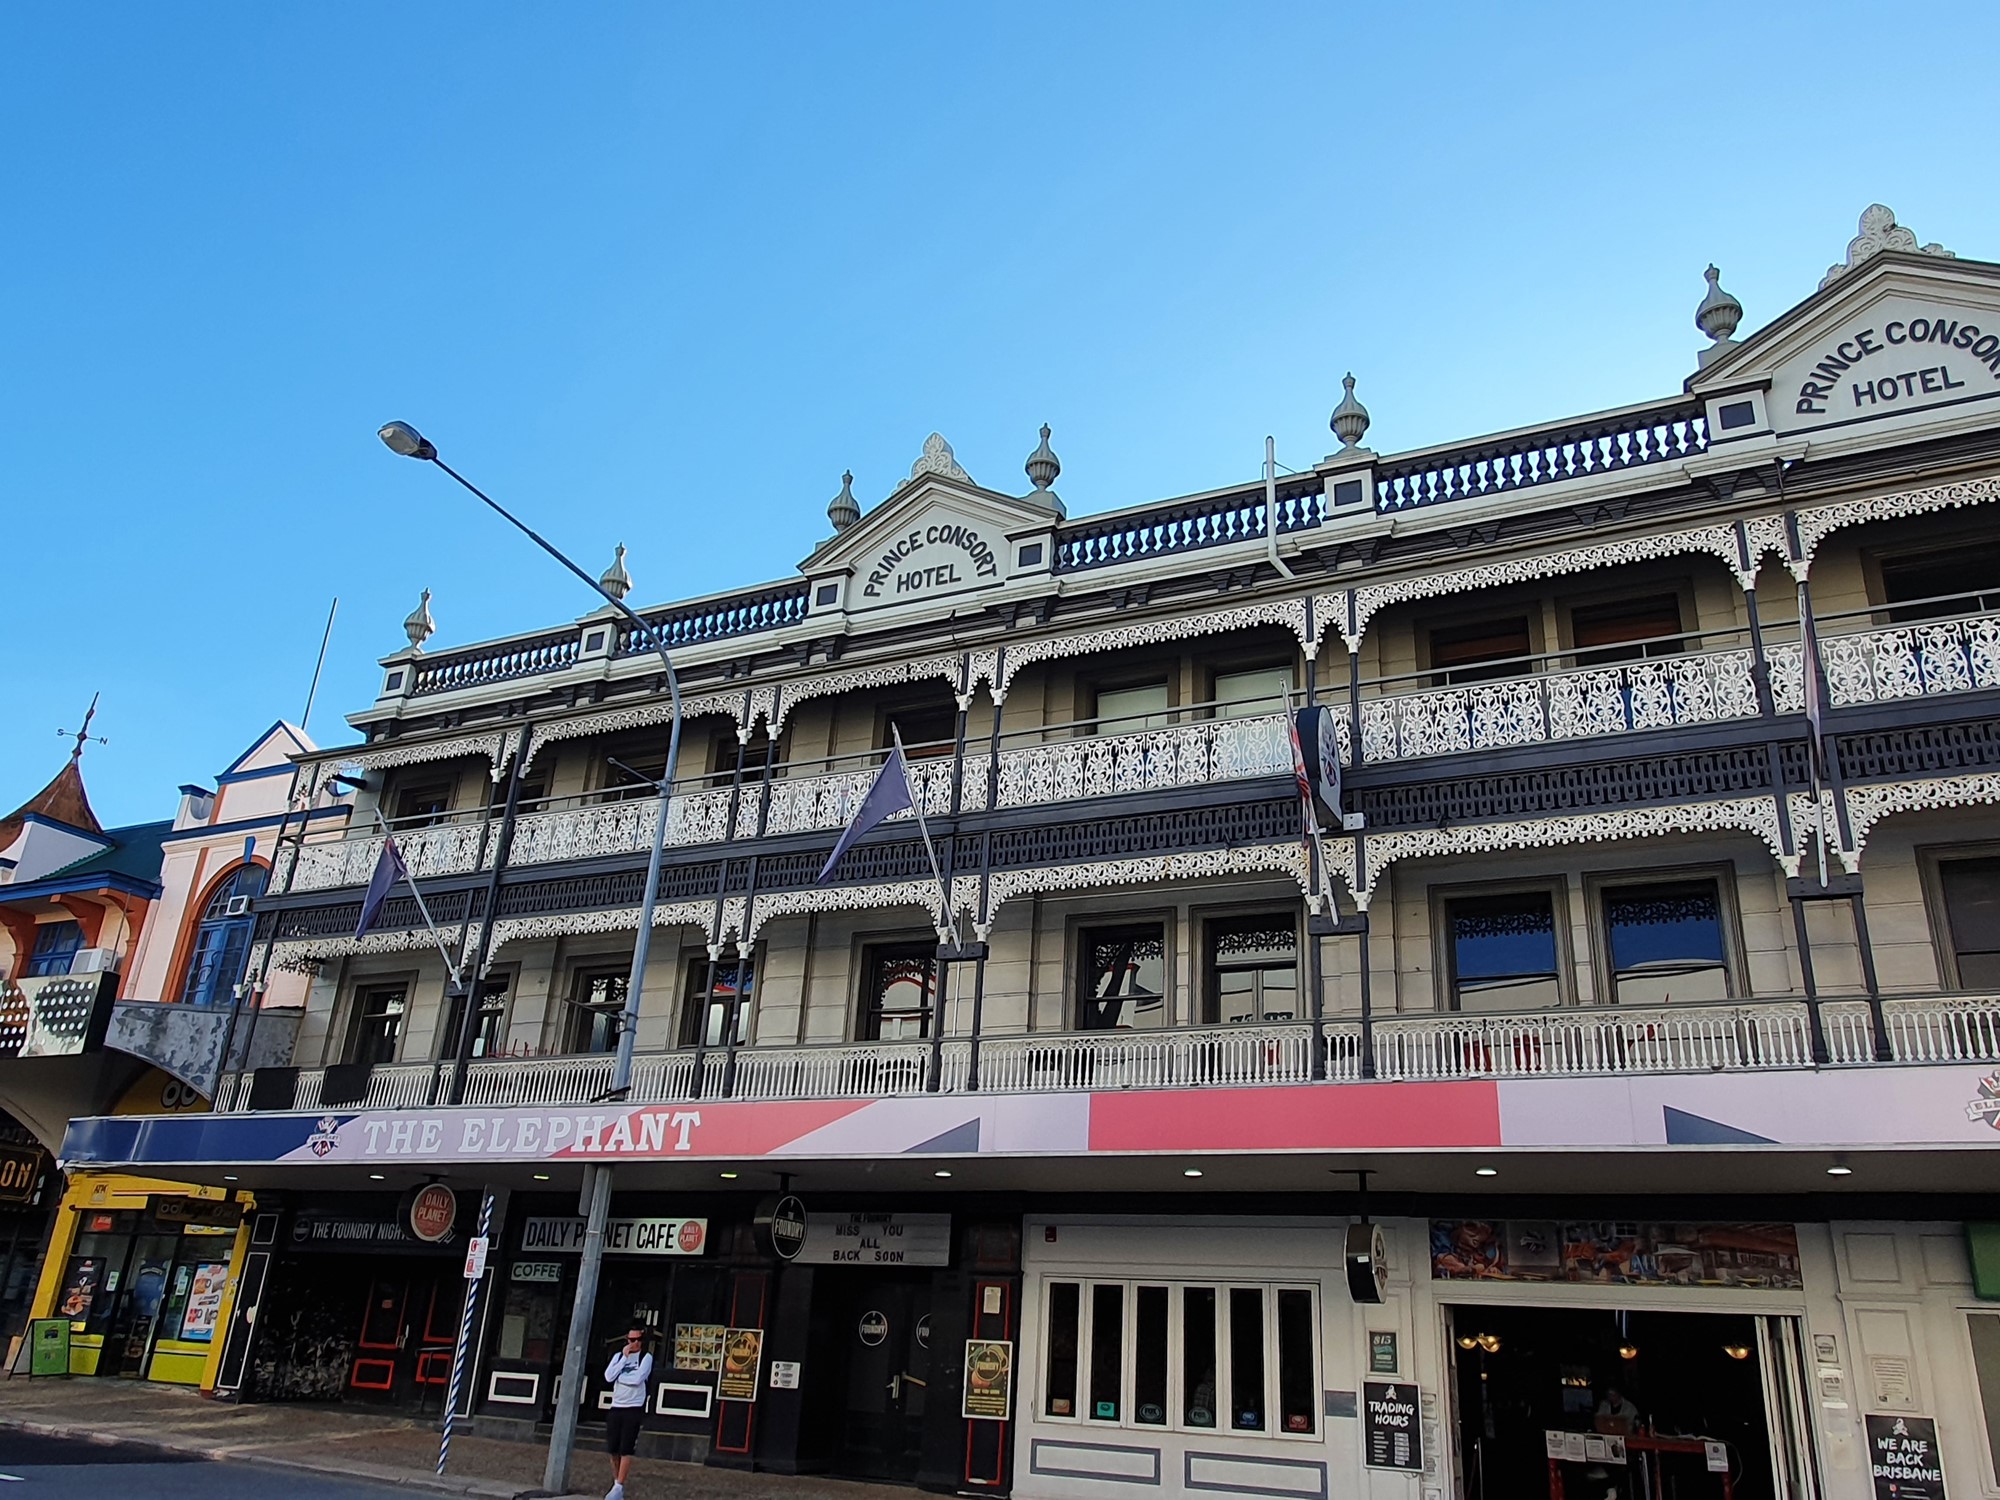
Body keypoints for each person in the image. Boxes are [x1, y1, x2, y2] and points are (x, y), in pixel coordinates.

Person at [603, 1327, 652, 1500]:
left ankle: (619, 1485)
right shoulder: (618, 1357)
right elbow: (609, 1376)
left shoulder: (646, 1358)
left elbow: (638, 1379)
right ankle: (617, 1484)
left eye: (638, 1339)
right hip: (617, 1406)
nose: (635, 1343)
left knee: (626, 1447)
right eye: (631, 1340)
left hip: (633, 1407)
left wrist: (620, 1377)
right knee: (613, 1448)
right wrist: (623, 1358)